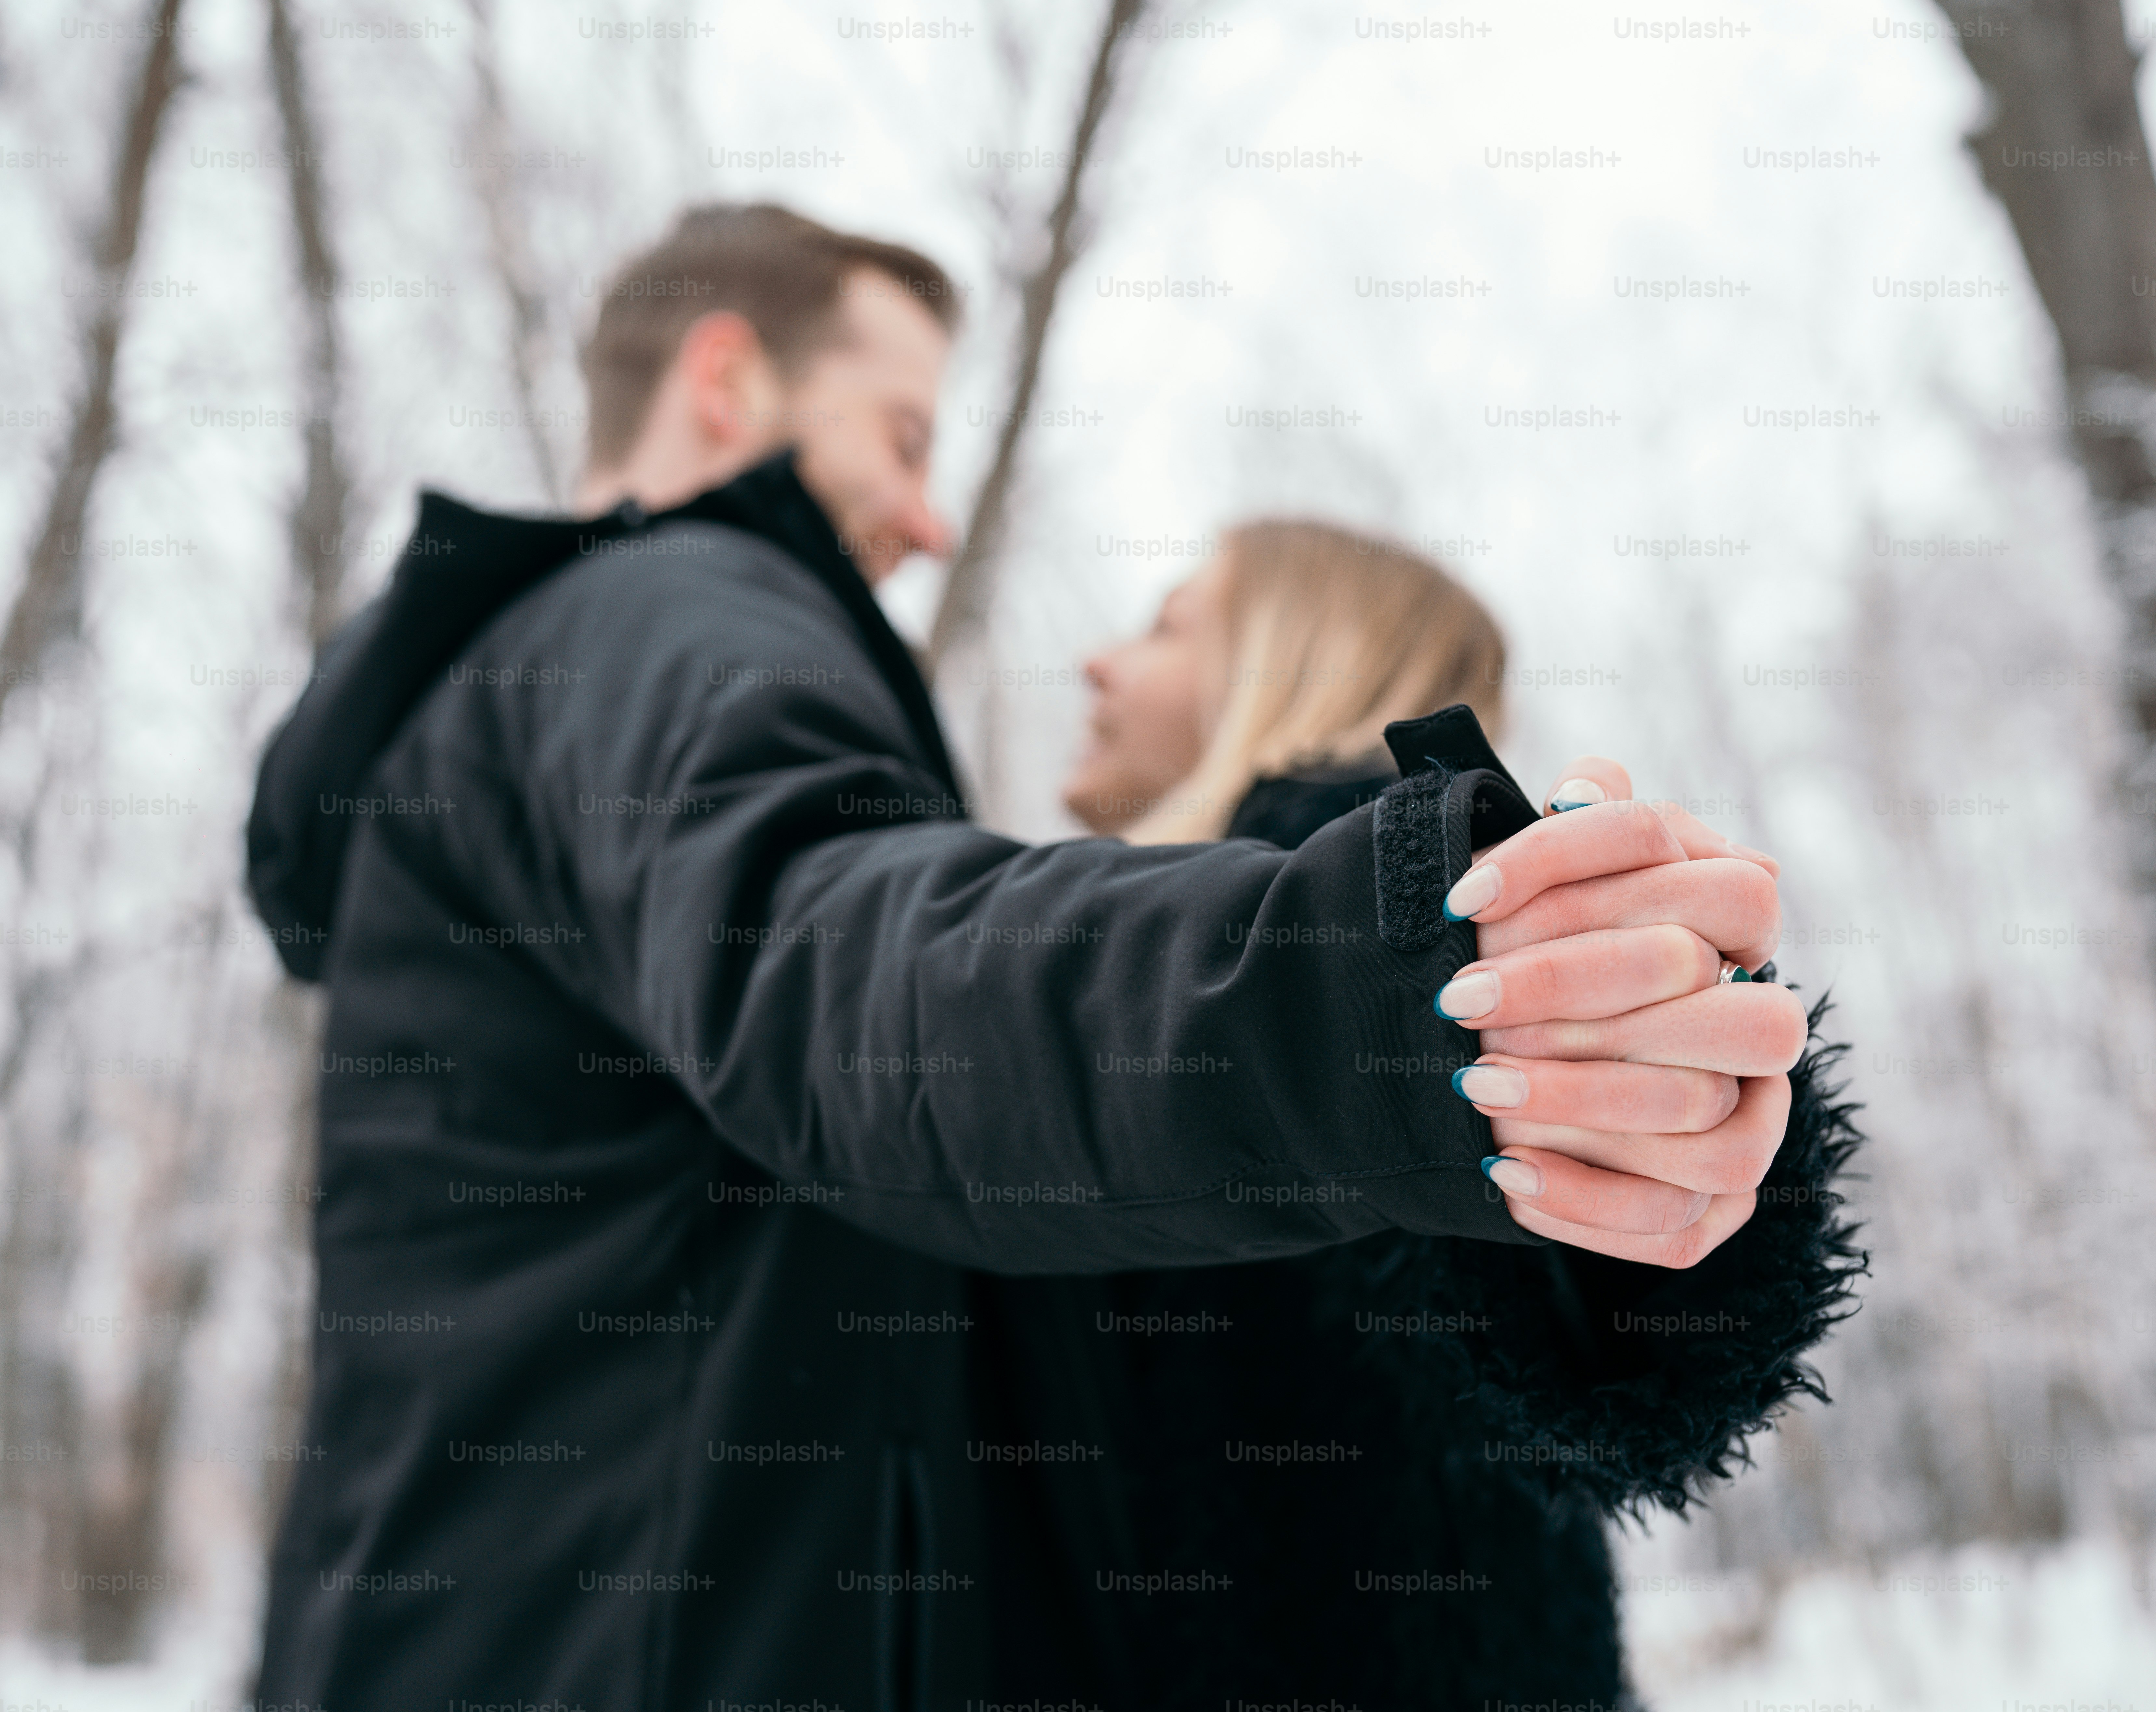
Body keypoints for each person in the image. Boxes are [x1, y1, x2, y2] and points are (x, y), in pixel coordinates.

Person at [244, 203, 1843, 1708]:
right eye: (902, 437)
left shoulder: (548, 695)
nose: (929, 518)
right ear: (726, 382)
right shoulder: (673, 612)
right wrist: (1373, 998)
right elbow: (859, 975)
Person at [1062, 522, 1864, 1698]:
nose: (1097, 663)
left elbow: (1606, 1337)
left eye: (1167, 627)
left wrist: (1667, 1091)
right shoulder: (1203, 948)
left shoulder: (1378, 926)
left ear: (1298, 661)